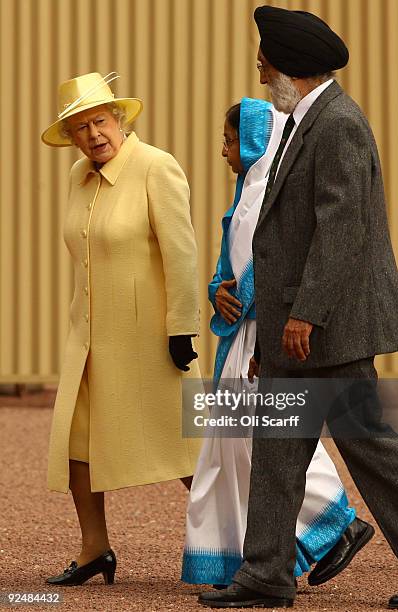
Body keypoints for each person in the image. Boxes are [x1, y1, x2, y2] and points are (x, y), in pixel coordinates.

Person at [199, 7, 398, 610]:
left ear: (293, 65)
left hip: (328, 328)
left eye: (266, 58)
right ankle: (266, 575)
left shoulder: (337, 124)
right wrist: (274, 330)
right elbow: (288, 235)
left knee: (368, 448)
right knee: (277, 452)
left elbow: (341, 230)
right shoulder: (302, 121)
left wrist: (307, 315)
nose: (259, 67)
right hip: (295, 327)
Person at [182, 98, 373, 588]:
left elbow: (281, 264)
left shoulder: (272, 191)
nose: (223, 152)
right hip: (241, 337)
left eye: (228, 141)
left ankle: (336, 524)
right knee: (236, 448)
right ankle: (264, 558)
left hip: (265, 337)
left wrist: (264, 324)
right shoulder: (245, 194)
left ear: (249, 139)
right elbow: (235, 267)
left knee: (267, 441)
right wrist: (217, 292)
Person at [41, 71, 201, 586]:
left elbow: (182, 253)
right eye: (80, 128)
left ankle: (244, 545)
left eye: (100, 121)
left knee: (186, 449)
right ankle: (95, 549)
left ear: (120, 119)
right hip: (88, 337)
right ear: (70, 137)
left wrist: (183, 327)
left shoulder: (157, 166)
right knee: (76, 440)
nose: (93, 135)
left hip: (149, 338)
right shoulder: (77, 175)